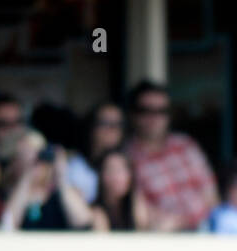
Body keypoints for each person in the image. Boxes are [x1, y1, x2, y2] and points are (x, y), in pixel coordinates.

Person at [125, 80, 218, 231]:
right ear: (133, 114)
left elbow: (211, 194)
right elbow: (140, 212)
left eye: (161, 111)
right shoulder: (127, 157)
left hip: (206, 229)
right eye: (146, 110)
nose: (154, 118)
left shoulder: (186, 145)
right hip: (166, 237)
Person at [67, 102, 125, 204]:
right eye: (105, 123)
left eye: (117, 124)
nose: (112, 129)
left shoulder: (126, 164)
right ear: (92, 128)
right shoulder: (75, 168)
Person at [90, 149, 152, 231]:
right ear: (101, 176)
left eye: (123, 169)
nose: (118, 176)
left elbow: (144, 236)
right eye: (112, 170)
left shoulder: (137, 203)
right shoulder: (96, 212)